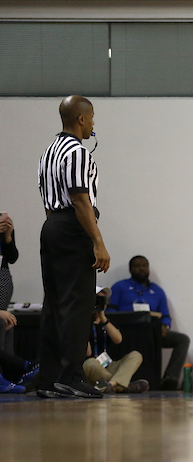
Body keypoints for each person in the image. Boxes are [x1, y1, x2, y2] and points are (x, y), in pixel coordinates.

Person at [35, 95, 109, 399]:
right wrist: (97, 242)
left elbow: (48, 204)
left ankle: (49, 379)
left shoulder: (48, 153)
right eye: (91, 117)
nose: (93, 123)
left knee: (53, 304)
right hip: (73, 227)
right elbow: (80, 199)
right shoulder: (78, 152)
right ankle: (71, 376)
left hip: (51, 227)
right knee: (78, 306)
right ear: (81, 119)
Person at [108, 255, 189, 390]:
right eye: (137, 266)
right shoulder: (119, 287)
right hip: (126, 333)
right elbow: (110, 311)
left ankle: (170, 379)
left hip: (152, 333)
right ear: (130, 269)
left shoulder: (157, 291)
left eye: (144, 265)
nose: (142, 269)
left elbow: (165, 315)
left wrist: (165, 325)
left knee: (182, 340)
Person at [84, 288, 147, 394]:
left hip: (108, 365)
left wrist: (103, 318)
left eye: (103, 299)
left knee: (136, 355)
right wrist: (85, 319)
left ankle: (110, 385)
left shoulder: (107, 322)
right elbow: (88, 352)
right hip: (91, 367)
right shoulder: (82, 322)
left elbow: (118, 340)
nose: (100, 302)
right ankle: (122, 386)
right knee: (91, 363)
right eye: (98, 299)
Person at [0, 213, 18, 354]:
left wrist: (8, 236)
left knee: (6, 323)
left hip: (3, 274)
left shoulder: (4, 223)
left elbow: (12, 258)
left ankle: (8, 368)